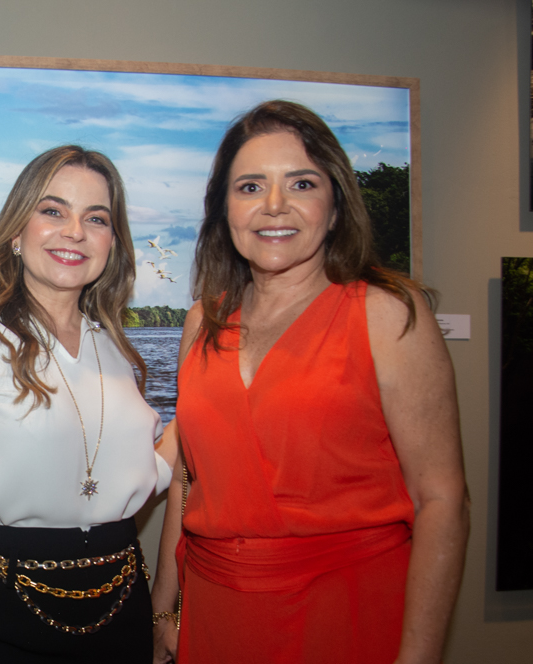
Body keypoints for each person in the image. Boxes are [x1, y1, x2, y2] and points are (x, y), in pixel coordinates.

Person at [151, 100, 470, 664]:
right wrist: (163, 604)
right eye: (250, 187)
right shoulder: (203, 320)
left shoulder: (387, 313)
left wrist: (418, 657)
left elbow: (441, 499)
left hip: (346, 613)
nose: (274, 205)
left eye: (300, 182)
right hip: (217, 615)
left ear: (335, 203)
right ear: (224, 209)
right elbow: (187, 475)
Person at [0, 145, 175, 664]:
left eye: (96, 218)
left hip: (124, 617)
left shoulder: (115, 349)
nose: (75, 231)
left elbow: (131, 474)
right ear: (16, 231)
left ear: (113, 243)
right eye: (53, 211)